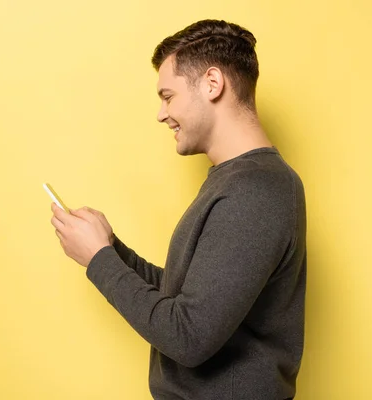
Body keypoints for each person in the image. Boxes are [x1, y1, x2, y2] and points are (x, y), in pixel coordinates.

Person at [50, 19, 307, 400]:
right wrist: (110, 247)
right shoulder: (236, 180)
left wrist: (99, 260)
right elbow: (192, 297)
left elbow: (188, 336)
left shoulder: (256, 190)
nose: (160, 114)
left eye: (168, 96)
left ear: (212, 83)